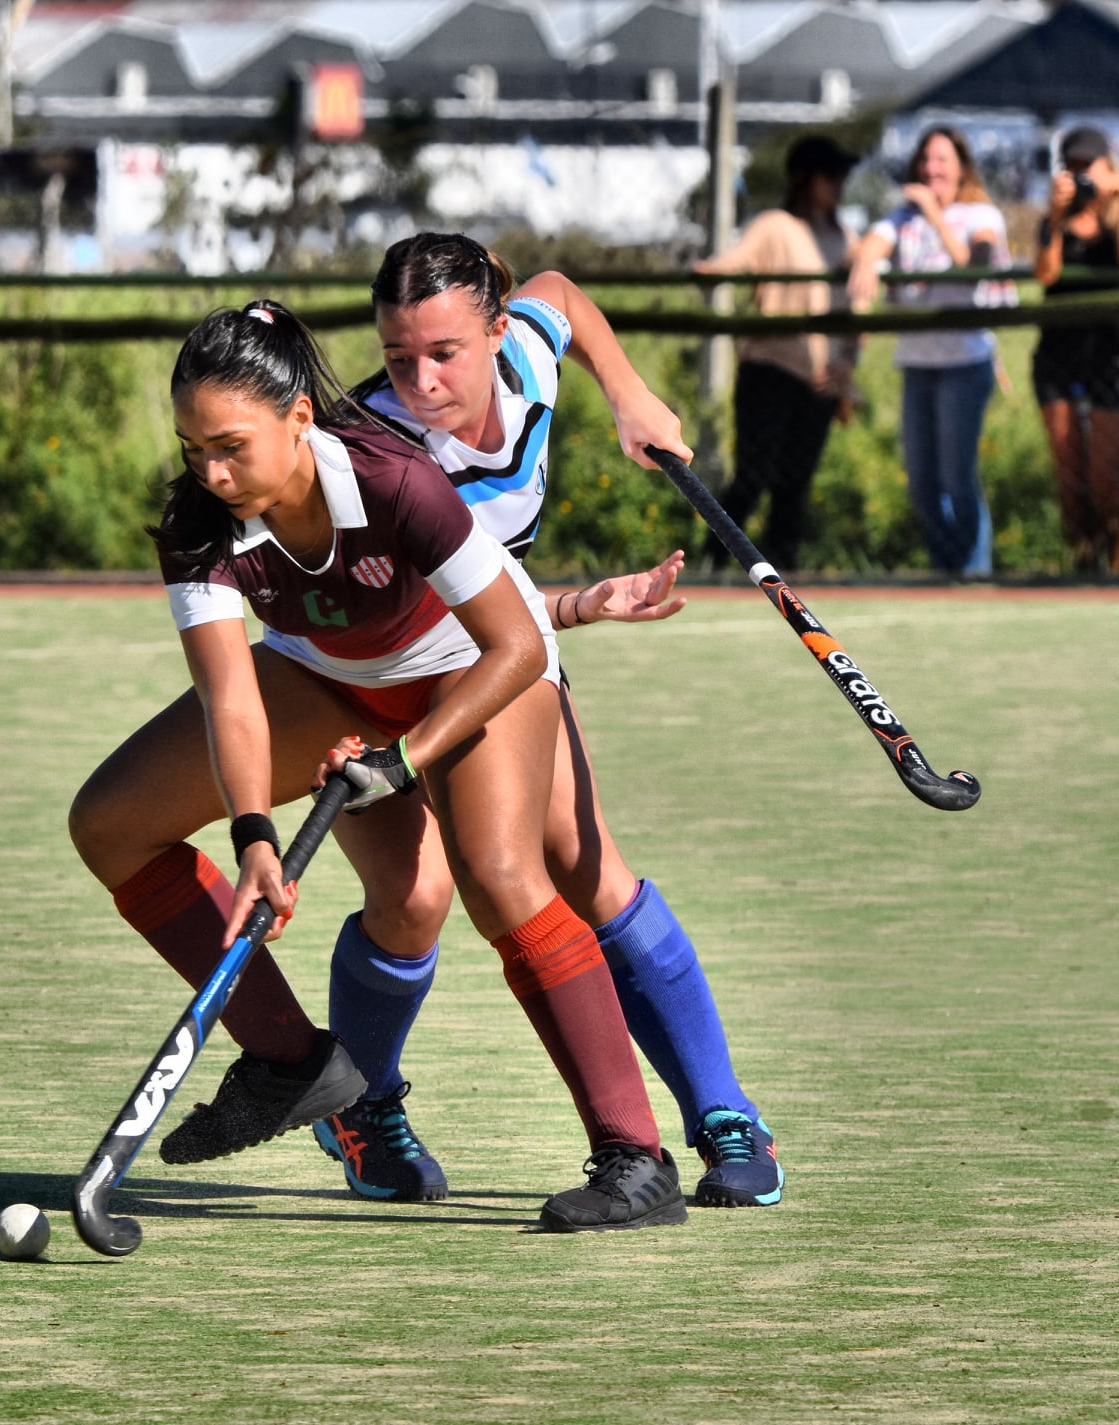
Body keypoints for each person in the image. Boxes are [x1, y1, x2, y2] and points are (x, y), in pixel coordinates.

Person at [68, 300, 690, 1232]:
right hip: (326, 675)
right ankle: (287, 1060)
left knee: (496, 874)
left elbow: (515, 643)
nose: (212, 470)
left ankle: (634, 1159)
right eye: (193, 446)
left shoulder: (395, 480)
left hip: (470, 667)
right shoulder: (197, 521)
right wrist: (252, 837)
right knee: (109, 822)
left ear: (298, 418)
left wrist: (407, 760)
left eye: (231, 445)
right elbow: (230, 698)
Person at [307, 232, 784, 1210]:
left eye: (444, 352)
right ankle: (359, 1101)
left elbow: (562, 292)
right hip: (376, 664)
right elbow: (420, 612)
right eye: (400, 357)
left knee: (583, 858)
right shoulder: (376, 449)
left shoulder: (526, 355)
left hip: (497, 644)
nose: (423, 378)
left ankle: (726, 1118)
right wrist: (559, 613)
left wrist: (628, 397)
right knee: (416, 897)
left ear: (494, 329)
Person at [848, 126, 1012, 578]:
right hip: (917, 363)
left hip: (964, 361)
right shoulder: (902, 217)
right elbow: (874, 243)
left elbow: (974, 266)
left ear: (961, 166)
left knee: (958, 479)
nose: (931, 168)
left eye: (942, 159)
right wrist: (866, 258)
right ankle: (947, 569)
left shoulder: (982, 216)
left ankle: (973, 574)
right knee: (923, 482)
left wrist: (935, 216)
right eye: (926, 159)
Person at [693, 134, 860, 572]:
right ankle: (716, 561)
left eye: (844, 175)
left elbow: (854, 313)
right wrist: (709, 270)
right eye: (831, 174)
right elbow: (739, 259)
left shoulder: (844, 239)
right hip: (770, 366)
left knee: (796, 481)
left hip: (820, 376)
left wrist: (845, 370)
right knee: (753, 473)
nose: (841, 183)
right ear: (805, 179)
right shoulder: (775, 226)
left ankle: (781, 570)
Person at [1031, 126, 1119, 573]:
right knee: (1071, 478)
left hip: (1111, 358)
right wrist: (1056, 215)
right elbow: (1046, 273)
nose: (1082, 175)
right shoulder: (1057, 218)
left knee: (1107, 481)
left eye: (1091, 167)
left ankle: (1114, 565)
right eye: (1074, 167)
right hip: (1058, 360)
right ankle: (1083, 562)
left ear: (1108, 166)